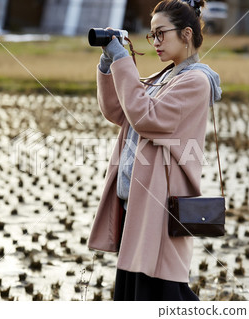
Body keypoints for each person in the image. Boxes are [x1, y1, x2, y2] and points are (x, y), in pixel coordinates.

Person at [88, 0, 221, 301]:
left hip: (160, 205)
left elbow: (146, 116)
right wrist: (109, 64)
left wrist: (123, 59)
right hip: (135, 202)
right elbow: (119, 111)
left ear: (186, 34)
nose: (156, 42)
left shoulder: (195, 81)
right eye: (152, 35)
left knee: (163, 293)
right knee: (136, 290)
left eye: (161, 34)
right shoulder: (164, 77)